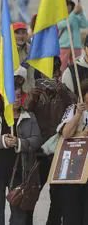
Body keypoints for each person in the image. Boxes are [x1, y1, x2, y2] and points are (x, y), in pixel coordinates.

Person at [0, 78, 42, 225]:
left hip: (20, 171)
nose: (17, 100)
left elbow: (37, 140)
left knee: (19, 215)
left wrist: (19, 143)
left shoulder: (29, 117)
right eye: (13, 97)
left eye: (19, 97)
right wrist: (2, 141)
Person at [25, 57, 74, 224]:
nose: (51, 76)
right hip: (38, 151)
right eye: (47, 72)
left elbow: (73, 112)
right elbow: (24, 117)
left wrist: (63, 92)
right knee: (32, 192)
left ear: (58, 73)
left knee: (58, 196)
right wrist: (31, 99)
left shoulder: (66, 93)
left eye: (54, 71)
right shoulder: (35, 93)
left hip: (59, 150)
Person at [54, 81, 88, 224]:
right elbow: (66, 134)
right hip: (73, 169)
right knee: (71, 214)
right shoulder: (73, 109)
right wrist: (78, 115)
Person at [58, 0, 88, 72]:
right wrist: (73, 13)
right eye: (66, 6)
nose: (68, 7)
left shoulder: (75, 16)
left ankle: (74, 81)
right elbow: (63, 25)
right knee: (62, 66)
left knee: (76, 66)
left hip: (76, 46)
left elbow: (85, 24)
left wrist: (81, 13)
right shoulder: (60, 17)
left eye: (69, 5)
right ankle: (61, 81)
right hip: (64, 45)